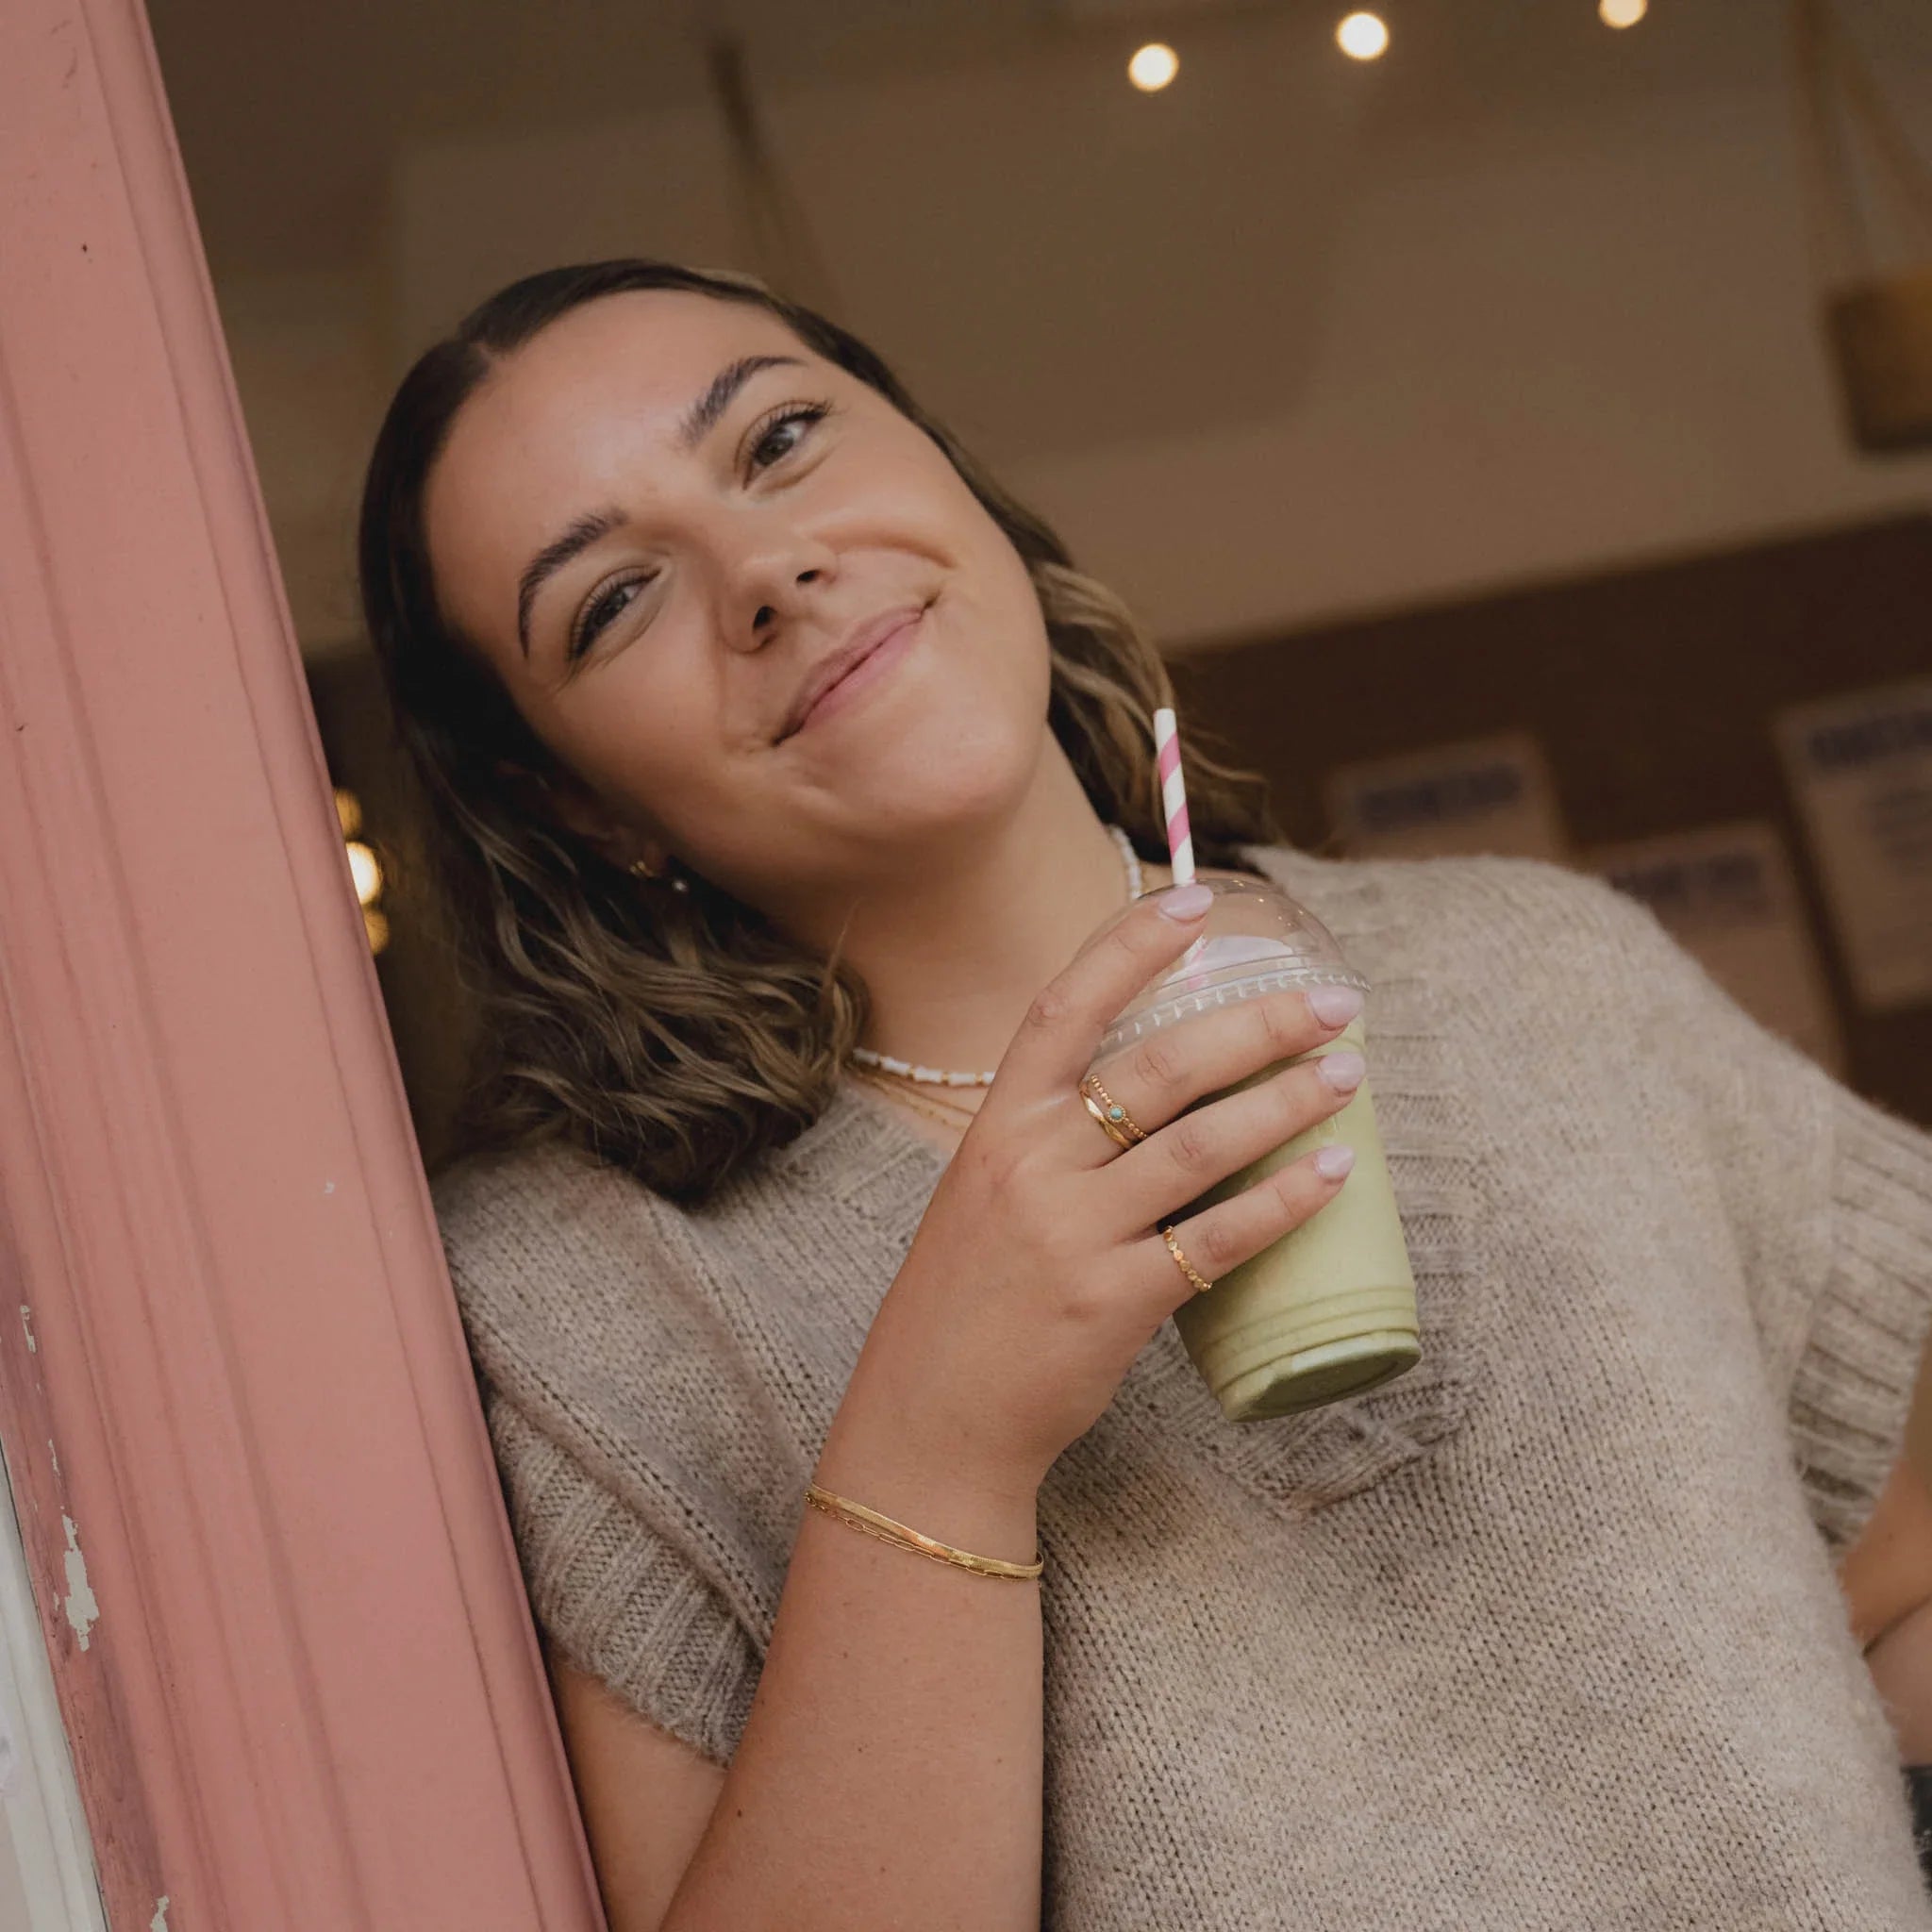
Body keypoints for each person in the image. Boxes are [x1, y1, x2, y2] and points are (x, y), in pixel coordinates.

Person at [357, 258, 1932, 1931]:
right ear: (579, 806)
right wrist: (940, 1438)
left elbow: (1888, 1594)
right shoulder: (580, 1304)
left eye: (783, 439)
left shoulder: (1537, 973)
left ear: (946, 469)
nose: (768, 570)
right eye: (610, 602)